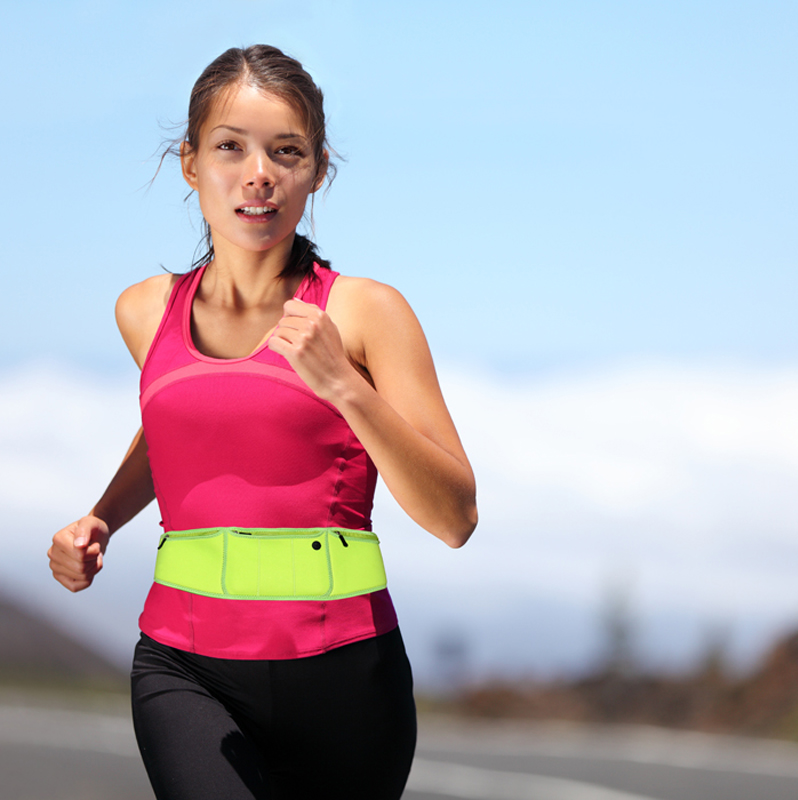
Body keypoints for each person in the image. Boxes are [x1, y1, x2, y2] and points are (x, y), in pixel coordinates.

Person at [47, 44, 477, 800]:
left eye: (287, 152)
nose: (259, 174)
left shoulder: (366, 312)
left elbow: (455, 517)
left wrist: (346, 387)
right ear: (189, 164)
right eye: (230, 147)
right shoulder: (146, 311)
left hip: (346, 681)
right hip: (182, 667)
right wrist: (102, 519)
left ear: (317, 171)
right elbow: (177, 429)